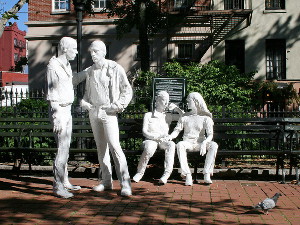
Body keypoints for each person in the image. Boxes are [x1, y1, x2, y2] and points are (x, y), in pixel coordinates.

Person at [80, 40, 133, 196]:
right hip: (94, 112)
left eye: (95, 51)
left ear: (103, 52)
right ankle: (106, 180)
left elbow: (127, 91)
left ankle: (125, 183)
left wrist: (116, 106)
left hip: (108, 111)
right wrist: (83, 102)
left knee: (115, 147)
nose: (93, 55)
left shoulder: (115, 68)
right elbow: (87, 95)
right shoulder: (90, 71)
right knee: (101, 148)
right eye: (91, 52)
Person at [46, 37, 86, 198]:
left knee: (66, 148)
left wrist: (88, 71)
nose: (76, 52)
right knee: (62, 149)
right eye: (74, 49)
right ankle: (57, 186)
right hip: (59, 111)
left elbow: (71, 82)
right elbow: (51, 94)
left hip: (67, 109)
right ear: (64, 49)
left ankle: (65, 181)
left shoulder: (67, 66)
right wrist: (56, 117)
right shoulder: (53, 67)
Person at [133, 91, 184, 184]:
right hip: (150, 139)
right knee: (150, 148)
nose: (166, 103)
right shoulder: (148, 115)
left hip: (163, 140)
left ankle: (166, 175)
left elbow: (184, 117)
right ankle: (140, 172)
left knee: (171, 144)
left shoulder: (168, 116)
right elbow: (144, 132)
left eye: (167, 100)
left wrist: (177, 109)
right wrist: (154, 136)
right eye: (164, 100)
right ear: (157, 100)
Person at [168, 92, 218, 185]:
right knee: (180, 144)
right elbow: (177, 130)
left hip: (200, 143)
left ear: (196, 102)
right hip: (188, 143)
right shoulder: (185, 117)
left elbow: (210, 135)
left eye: (188, 101)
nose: (187, 103)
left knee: (214, 145)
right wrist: (170, 136)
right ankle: (187, 174)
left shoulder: (206, 118)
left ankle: (206, 173)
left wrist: (205, 142)